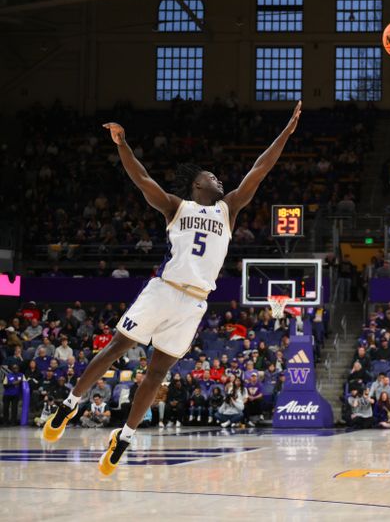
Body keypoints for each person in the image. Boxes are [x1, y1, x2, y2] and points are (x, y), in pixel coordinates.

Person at [43, 103, 302, 475]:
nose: (221, 181)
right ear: (198, 184)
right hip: (164, 290)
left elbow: (260, 169)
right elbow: (142, 178)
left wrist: (287, 133)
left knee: (156, 374)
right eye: (213, 176)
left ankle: (125, 437)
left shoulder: (229, 209)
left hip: (195, 303)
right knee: (118, 347)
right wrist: (122, 145)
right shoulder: (175, 207)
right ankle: (70, 403)